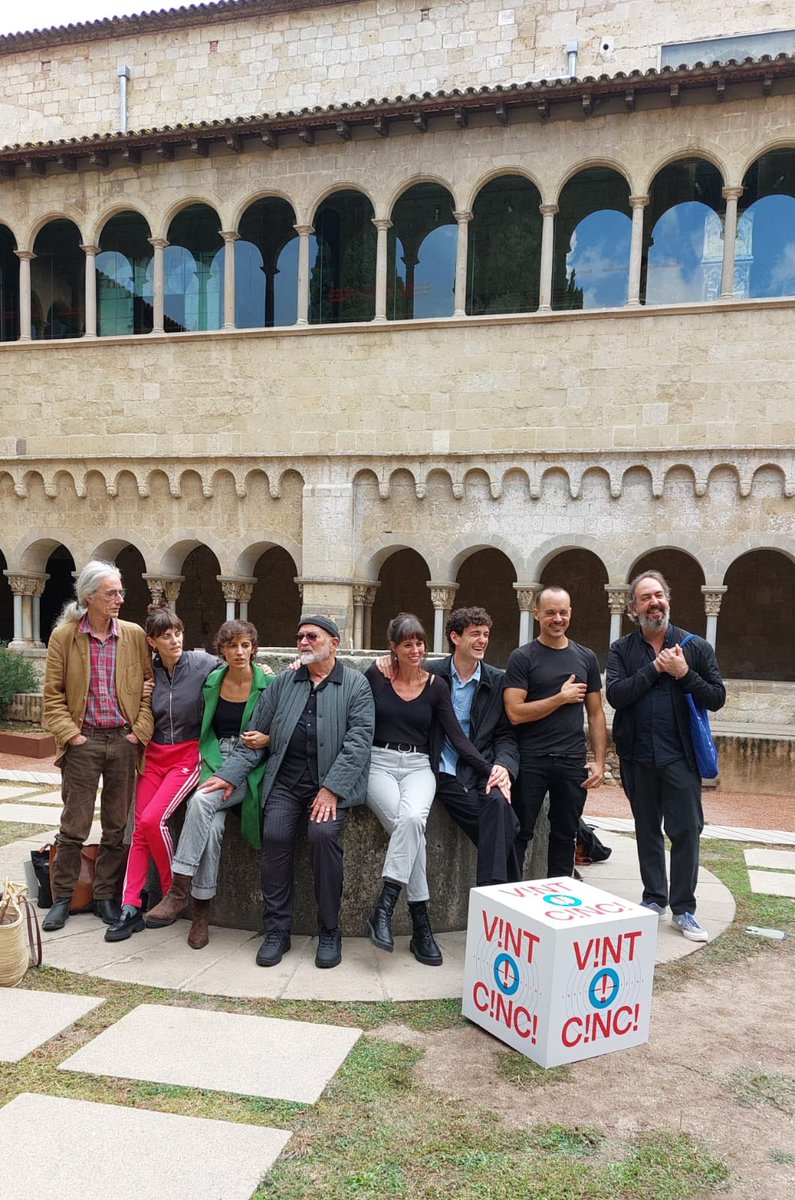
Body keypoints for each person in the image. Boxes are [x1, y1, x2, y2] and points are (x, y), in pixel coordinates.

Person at [202, 615, 374, 970]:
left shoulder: (355, 685)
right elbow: (254, 738)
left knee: (323, 836)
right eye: (300, 638)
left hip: (328, 785)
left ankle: (330, 930)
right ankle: (277, 930)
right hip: (285, 781)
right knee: (275, 835)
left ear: (334, 643)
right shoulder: (283, 683)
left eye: (312, 636)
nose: (304, 642)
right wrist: (228, 775)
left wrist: (331, 791)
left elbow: (358, 745)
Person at [364, 613, 494, 966]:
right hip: (379, 764)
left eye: (420, 642)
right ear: (393, 647)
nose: (416, 649)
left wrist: (489, 770)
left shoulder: (436, 685)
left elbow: (456, 735)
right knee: (412, 827)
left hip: (420, 766)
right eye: (407, 644)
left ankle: (383, 909)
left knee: (410, 820)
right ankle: (422, 925)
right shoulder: (376, 676)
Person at [605, 571, 726, 942]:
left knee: (687, 830)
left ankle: (684, 908)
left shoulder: (696, 647)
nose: (654, 602)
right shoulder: (621, 650)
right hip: (638, 757)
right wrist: (656, 668)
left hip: (680, 758)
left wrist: (684, 672)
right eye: (645, 598)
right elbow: (617, 695)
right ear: (633, 609)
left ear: (668, 600)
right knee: (646, 829)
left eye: (659, 595)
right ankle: (654, 898)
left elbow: (716, 697)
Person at [143, 619, 273, 949]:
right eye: (232, 646)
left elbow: (279, 730)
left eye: (245, 645)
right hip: (213, 758)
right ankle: (201, 912)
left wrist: (266, 740)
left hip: (247, 766)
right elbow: (204, 728)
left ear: (254, 648)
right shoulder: (213, 679)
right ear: (222, 650)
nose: (239, 652)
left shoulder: (268, 684)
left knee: (200, 801)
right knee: (212, 826)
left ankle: (178, 888)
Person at [42, 560, 153, 932]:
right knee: (73, 825)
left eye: (121, 592)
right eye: (112, 593)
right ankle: (63, 898)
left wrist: (138, 731)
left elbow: (150, 688)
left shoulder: (134, 635)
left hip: (123, 740)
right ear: (89, 596)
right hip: (83, 741)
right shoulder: (65, 636)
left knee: (117, 827)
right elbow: (53, 696)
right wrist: (71, 735)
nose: (120, 598)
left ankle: (105, 896)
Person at [104, 607, 218, 941]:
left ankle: (173, 891)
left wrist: (268, 669)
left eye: (178, 632)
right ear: (152, 641)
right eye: (166, 635)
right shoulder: (148, 672)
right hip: (153, 754)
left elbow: (239, 669)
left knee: (154, 819)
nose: (175, 640)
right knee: (140, 827)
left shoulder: (202, 663)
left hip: (187, 753)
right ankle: (130, 904)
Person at [503, 585, 607, 879]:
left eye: (563, 612)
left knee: (565, 834)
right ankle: (511, 899)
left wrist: (599, 761)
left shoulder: (586, 657)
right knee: (519, 832)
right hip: (531, 759)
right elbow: (515, 712)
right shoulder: (522, 658)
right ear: (536, 614)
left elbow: (596, 713)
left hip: (572, 761)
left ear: (570, 614)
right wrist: (559, 699)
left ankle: (558, 898)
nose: (557, 618)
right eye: (550, 612)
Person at [428, 607, 521, 888]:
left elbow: (506, 735)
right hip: (445, 768)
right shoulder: (431, 675)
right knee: (507, 825)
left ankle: (492, 896)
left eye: (486, 634)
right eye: (475, 634)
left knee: (497, 803)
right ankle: (501, 895)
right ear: (455, 637)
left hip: (485, 768)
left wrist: (504, 767)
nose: (482, 640)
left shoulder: (496, 680)